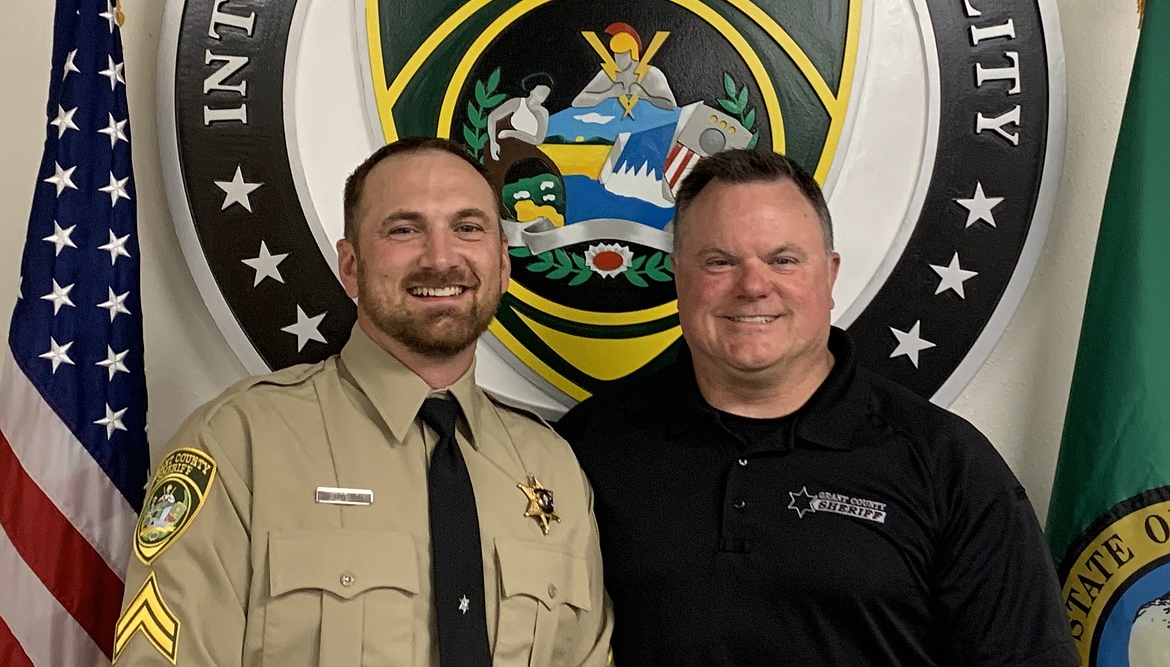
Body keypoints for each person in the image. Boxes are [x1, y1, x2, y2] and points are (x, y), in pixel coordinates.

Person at [556, 148, 1077, 667]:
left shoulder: (946, 463)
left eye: (783, 260)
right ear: (678, 277)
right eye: (720, 262)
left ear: (828, 276)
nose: (754, 286)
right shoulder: (588, 449)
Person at [114, 137, 611, 666]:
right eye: (404, 229)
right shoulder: (240, 445)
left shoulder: (552, 467)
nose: (441, 258)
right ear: (350, 267)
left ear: (503, 265)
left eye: (468, 228)